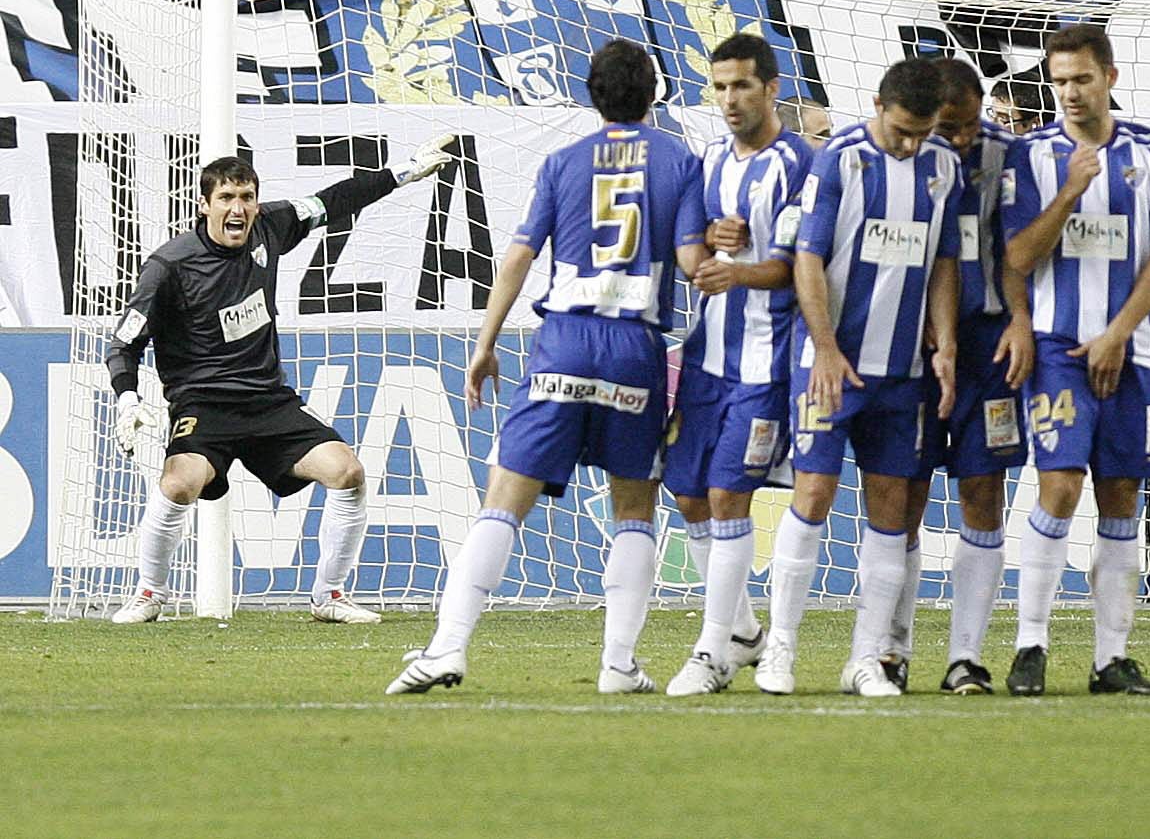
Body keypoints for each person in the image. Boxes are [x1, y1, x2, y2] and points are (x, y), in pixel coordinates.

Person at [387, 40, 706, 696]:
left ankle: (448, 648)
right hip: (634, 346)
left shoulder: (563, 163)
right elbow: (698, 263)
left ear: (592, 96)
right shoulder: (681, 161)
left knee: (503, 498)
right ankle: (618, 664)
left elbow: (517, 258)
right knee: (635, 506)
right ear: (655, 94)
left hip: (564, 341)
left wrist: (484, 343)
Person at [107, 137, 457, 625]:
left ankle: (329, 596)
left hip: (270, 401)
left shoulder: (270, 226)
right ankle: (149, 593)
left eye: (246, 196)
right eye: (226, 198)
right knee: (180, 483)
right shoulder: (170, 265)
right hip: (203, 405)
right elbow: (125, 343)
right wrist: (127, 399)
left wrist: (405, 171)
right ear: (203, 204)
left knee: (347, 473)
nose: (239, 208)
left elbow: (338, 200)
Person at [754, 56, 963, 697]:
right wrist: (822, 348)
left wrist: (947, 345)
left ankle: (866, 658)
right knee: (812, 496)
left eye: (921, 133)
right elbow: (808, 258)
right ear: (876, 105)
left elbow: (946, 261)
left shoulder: (943, 166)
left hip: (901, 373)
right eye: (901, 129)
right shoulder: (840, 159)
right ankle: (779, 651)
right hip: (831, 364)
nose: (910, 143)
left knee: (893, 511)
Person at [1001, 24, 1150, 695]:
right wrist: (1069, 193)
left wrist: (1118, 332)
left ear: (1108, 76)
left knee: (1121, 496)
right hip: (1056, 347)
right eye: (1059, 81)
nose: (1071, 92)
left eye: (1082, 78)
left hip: (1131, 349)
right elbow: (1017, 260)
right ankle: (1030, 645)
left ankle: (1111, 657)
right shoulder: (1031, 155)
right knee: (1059, 485)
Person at [661, 34, 813, 696]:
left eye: (742, 86)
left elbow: (796, 267)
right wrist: (707, 253)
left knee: (728, 495)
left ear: (772, 87)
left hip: (767, 362)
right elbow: (688, 254)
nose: (729, 99)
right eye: (719, 87)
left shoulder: (799, 164)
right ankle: (745, 630)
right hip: (706, 360)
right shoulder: (710, 160)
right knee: (688, 492)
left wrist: (739, 268)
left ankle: (711, 653)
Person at [879, 57, 1032, 696]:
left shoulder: (1013, 158)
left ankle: (965, 656)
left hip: (989, 347)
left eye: (972, 124)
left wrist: (1022, 319)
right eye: (951, 127)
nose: (964, 138)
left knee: (983, 493)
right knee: (904, 498)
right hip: (911, 347)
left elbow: (1027, 250)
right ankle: (891, 651)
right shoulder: (897, 159)